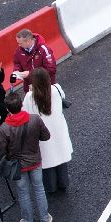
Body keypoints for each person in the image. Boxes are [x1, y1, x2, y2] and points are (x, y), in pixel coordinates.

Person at [0, 90, 52, 222]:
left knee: (23, 193)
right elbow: (46, 136)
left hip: (17, 166)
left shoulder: (4, 128)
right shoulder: (35, 119)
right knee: (39, 189)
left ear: (8, 109)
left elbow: (0, 150)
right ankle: (45, 220)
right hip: (35, 161)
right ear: (21, 105)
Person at [25, 66, 72, 197]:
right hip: (58, 129)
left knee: (47, 160)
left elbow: (26, 113)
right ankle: (63, 182)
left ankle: (51, 187)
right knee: (60, 156)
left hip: (42, 133)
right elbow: (63, 98)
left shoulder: (30, 96)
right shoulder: (56, 89)